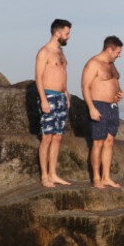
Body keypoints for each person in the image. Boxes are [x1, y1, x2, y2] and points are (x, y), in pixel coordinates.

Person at [82, 36, 124, 188]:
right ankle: (96, 178)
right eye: (117, 52)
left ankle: (106, 177)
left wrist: (119, 92)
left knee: (109, 142)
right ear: (109, 50)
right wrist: (91, 108)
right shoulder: (93, 63)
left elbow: (113, 82)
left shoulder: (112, 64)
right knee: (98, 143)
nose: (119, 55)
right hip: (98, 106)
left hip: (113, 107)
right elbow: (85, 86)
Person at [35, 19, 72, 188]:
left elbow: (61, 74)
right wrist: (43, 99)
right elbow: (39, 77)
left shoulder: (61, 52)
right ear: (58, 33)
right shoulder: (44, 52)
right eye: (66, 33)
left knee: (58, 137)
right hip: (48, 96)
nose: (68, 37)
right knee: (47, 137)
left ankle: (53, 174)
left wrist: (66, 94)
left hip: (61, 97)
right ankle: (44, 176)